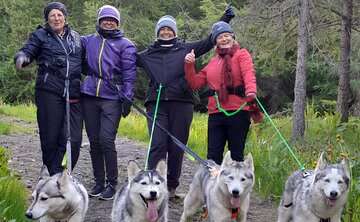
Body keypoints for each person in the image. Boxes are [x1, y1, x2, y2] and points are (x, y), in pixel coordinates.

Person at [136, 4, 235, 198]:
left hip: (181, 102)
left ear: (174, 32)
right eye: (162, 29)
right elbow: (122, 59)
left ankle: (171, 187)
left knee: (177, 146)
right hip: (156, 103)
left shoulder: (186, 48)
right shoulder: (147, 55)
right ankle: (152, 186)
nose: (165, 32)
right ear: (157, 33)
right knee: (157, 144)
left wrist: (225, 19)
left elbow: (209, 42)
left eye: (169, 29)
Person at [14, 2, 83, 176]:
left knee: (73, 139)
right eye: (52, 15)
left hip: (72, 92)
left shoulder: (75, 37)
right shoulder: (40, 35)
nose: (56, 18)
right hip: (49, 91)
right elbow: (28, 50)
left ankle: (62, 174)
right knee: (50, 137)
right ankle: (52, 176)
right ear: (47, 19)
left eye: (59, 15)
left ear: (65, 17)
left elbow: (85, 62)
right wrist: (22, 58)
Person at [184, 21, 263, 165]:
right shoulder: (212, 63)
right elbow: (194, 83)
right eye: (220, 37)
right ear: (216, 42)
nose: (224, 39)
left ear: (233, 37)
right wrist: (189, 65)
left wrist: (251, 90)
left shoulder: (242, 55)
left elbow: (248, 73)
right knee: (213, 157)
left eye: (227, 35)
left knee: (236, 155)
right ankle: (213, 186)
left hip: (239, 112)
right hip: (216, 114)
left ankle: (234, 187)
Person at [81, 5, 137, 200]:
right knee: (94, 142)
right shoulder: (88, 40)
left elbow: (130, 74)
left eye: (112, 20)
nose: (108, 22)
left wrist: (127, 97)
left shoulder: (125, 45)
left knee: (106, 140)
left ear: (117, 23)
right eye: (105, 19)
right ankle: (99, 181)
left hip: (112, 97)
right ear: (99, 21)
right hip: (89, 95)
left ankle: (112, 183)